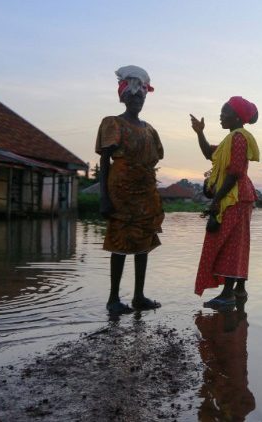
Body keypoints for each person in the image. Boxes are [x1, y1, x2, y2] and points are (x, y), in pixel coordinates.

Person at [96, 65, 164, 314]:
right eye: (133, 95)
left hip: (145, 193)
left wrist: (155, 196)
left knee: (143, 242)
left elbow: (154, 160)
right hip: (121, 191)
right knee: (120, 242)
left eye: (141, 96)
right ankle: (113, 299)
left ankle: (138, 296)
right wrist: (104, 198)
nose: (137, 99)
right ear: (123, 97)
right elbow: (104, 162)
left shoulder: (149, 130)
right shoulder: (112, 123)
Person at [191, 96, 260, 307]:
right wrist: (200, 132)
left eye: (225, 112)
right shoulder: (230, 139)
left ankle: (228, 295)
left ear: (237, 117)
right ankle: (239, 290)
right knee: (237, 242)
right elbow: (208, 154)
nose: (221, 116)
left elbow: (235, 172)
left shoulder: (239, 138)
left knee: (230, 243)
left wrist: (215, 201)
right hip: (238, 197)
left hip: (235, 197)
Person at [195, 297, 255, 420]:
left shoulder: (245, 406)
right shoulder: (246, 406)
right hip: (233, 368)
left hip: (232, 369)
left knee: (224, 355)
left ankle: (233, 297)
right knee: (227, 354)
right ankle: (234, 297)